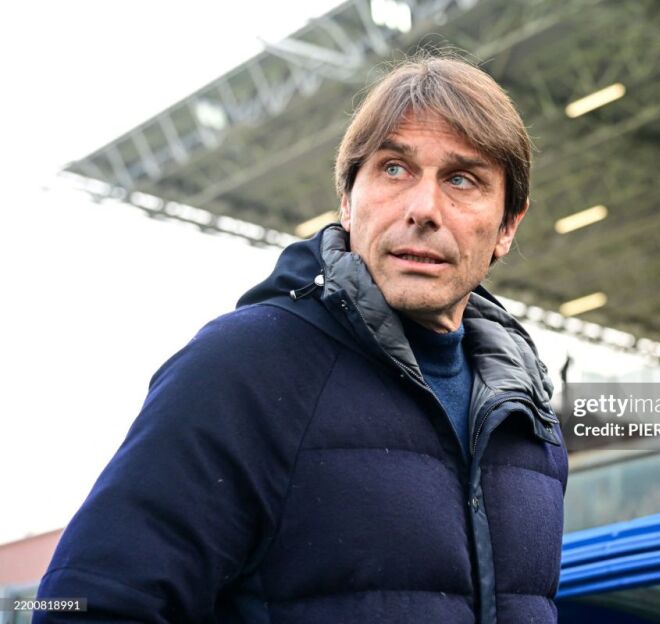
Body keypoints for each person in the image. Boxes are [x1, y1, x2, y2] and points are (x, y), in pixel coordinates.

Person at [36, 54, 568, 623]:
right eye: (394, 169)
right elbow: (85, 605)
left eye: (461, 180)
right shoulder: (243, 369)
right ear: (347, 201)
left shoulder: (529, 422)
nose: (422, 209)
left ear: (507, 225)